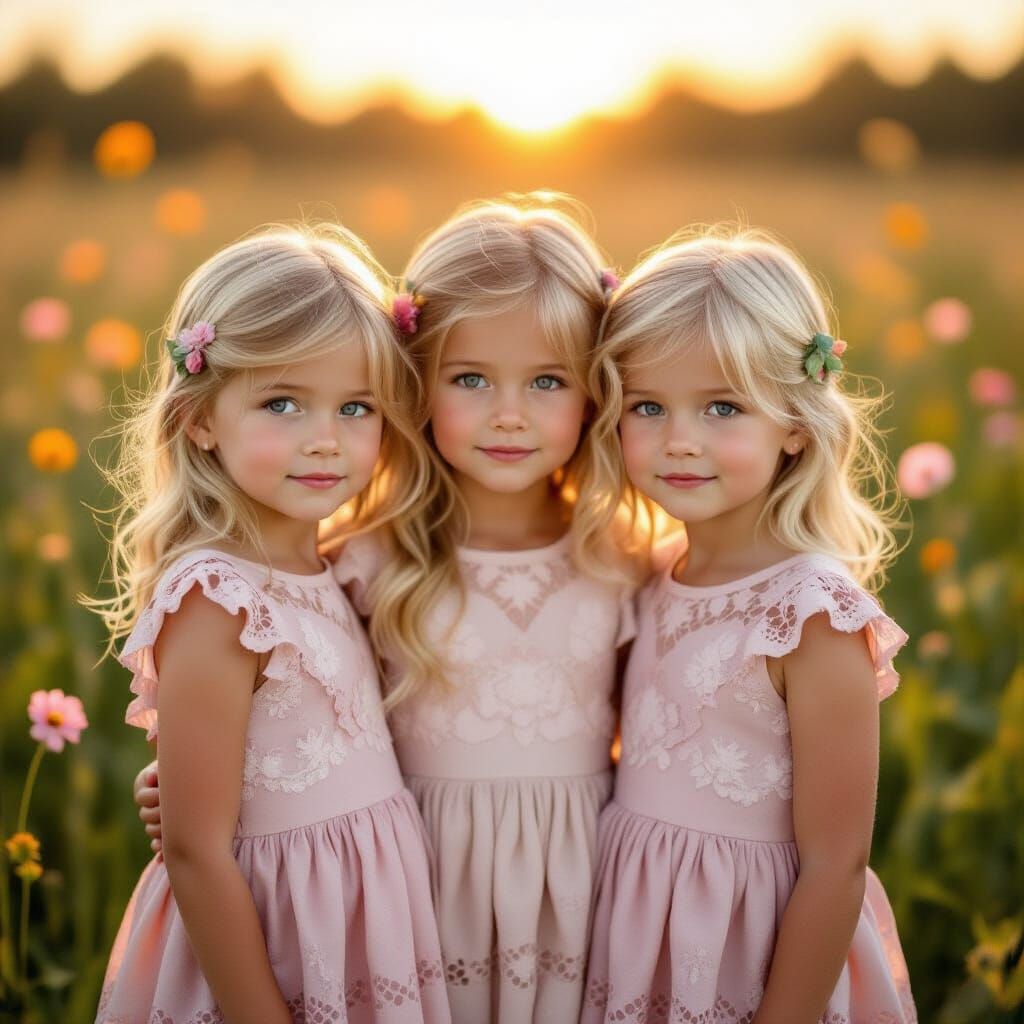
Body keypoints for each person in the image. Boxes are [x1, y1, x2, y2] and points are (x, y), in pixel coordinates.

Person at [95, 226, 450, 1023]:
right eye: (282, 403)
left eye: (355, 407)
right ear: (200, 419)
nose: (325, 438)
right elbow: (194, 848)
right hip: (268, 950)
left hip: (358, 929)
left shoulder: (340, 568)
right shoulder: (220, 599)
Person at [580, 228, 917, 1023]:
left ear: (795, 424)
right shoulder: (654, 572)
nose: (680, 440)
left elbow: (837, 863)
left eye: (722, 407)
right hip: (640, 940)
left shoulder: (810, 616)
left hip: (754, 955)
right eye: (648, 407)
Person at [330, 196, 643, 1022]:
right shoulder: (367, 563)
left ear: (594, 394)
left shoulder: (627, 558)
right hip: (418, 888)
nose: (510, 414)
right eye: (470, 379)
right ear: (417, 385)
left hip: (580, 893)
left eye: (547, 381)